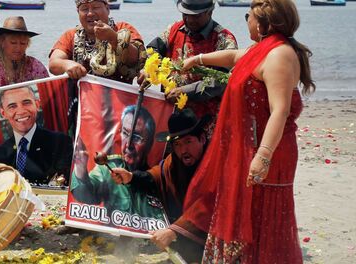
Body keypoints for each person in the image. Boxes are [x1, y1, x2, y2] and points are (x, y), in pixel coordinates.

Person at [180, 0, 315, 261]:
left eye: (248, 16)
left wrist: (262, 156)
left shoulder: (280, 55)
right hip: (249, 148)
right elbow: (232, 57)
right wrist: (195, 59)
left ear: (264, 23)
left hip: (270, 151)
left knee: (263, 215)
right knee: (244, 209)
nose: (247, 22)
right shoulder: (261, 50)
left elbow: (280, 110)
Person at [110, 109, 210, 262]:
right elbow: (156, 176)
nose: (183, 150)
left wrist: (172, 231)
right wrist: (131, 177)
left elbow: (209, 204)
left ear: (202, 139)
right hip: (188, 235)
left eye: (188, 141)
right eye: (177, 144)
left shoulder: (215, 161)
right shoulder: (175, 161)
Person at [142, 0, 237, 136]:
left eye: (196, 16)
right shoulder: (174, 30)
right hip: (173, 120)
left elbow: (219, 82)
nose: (190, 20)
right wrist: (149, 70)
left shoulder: (224, 40)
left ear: (210, 12)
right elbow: (153, 50)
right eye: (185, 15)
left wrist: (184, 91)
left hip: (207, 125)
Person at [71, 105, 162, 219]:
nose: (128, 145)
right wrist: (81, 170)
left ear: (149, 144)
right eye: (125, 133)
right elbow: (87, 196)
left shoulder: (158, 177)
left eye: (136, 137)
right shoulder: (108, 168)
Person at [0, 87, 73, 185]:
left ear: (37, 105)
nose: (21, 111)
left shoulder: (60, 142)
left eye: (26, 103)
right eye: (12, 106)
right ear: (3, 113)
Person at [48, 0, 145, 83]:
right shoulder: (71, 35)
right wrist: (67, 64)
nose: (90, 13)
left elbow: (136, 58)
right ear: (78, 12)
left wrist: (113, 38)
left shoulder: (123, 29)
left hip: (120, 99)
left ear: (107, 9)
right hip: (82, 99)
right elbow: (53, 64)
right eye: (85, 9)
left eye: (96, 7)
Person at [0, 16, 49, 89]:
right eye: (13, 43)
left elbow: (47, 90)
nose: (18, 48)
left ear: (27, 45)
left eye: (23, 43)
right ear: (1, 42)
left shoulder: (35, 66)